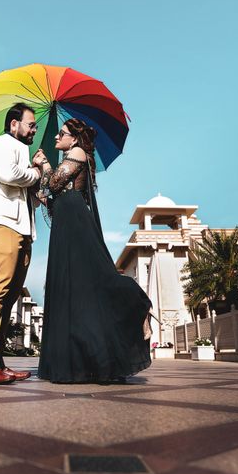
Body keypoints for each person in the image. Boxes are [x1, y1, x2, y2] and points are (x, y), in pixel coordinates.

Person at [36, 118, 152, 383]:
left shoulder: (77, 153)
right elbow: (48, 195)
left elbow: (53, 184)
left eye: (61, 134)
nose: (56, 137)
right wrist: (44, 170)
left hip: (76, 223)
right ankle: (85, 360)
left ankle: (139, 304)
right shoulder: (71, 154)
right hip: (66, 223)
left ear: (74, 139)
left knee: (93, 280)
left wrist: (44, 164)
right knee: (77, 290)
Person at [0, 102, 48, 385]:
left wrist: (39, 174)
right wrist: (35, 173)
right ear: (14, 125)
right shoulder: (0, 144)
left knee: (8, 296)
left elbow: (32, 198)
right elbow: (10, 176)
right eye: (30, 125)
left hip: (20, 231)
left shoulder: (22, 154)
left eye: (36, 126)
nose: (34, 130)